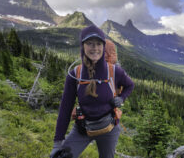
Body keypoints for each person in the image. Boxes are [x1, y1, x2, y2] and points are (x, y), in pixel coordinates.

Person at [50, 25, 134, 158]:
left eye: (98, 43)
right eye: (90, 43)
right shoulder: (75, 74)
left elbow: (130, 85)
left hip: (109, 129)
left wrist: (122, 98)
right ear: (83, 46)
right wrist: (58, 142)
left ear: (103, 46)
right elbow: (65, 109)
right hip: (82, 128)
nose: (95, 48)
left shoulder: (114, 71)